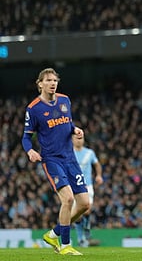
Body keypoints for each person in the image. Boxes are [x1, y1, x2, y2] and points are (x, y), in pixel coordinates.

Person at [22, 68, 89, 255]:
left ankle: (53, 234)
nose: (53, 83)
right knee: (67, 199)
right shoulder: (34, 108)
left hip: (70, 158)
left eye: (55, 80)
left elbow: (68, 122)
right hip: (51, 159)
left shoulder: (65, 100)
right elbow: (26, 137)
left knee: (84, 204)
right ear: (40, 84)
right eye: (48, 80)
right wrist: (30, 151)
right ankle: (65, 246)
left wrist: (75, 130)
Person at [73, 134, 103, 247]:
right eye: (77, 138)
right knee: (78, 215)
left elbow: (97, 164)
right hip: (74, 187)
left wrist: (99, 175)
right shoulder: (69, 153)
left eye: (81, 138)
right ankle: (81, 238)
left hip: (87, 186)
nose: (79, 141)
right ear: (72, 140)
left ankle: (86, 231)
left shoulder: (89, 153)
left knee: (87, 210)